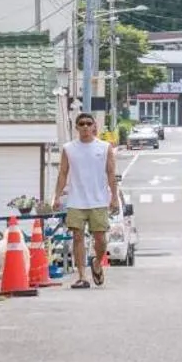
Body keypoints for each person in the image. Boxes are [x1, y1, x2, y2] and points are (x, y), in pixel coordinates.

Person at [54, 112, 120, 289]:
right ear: (76, 127)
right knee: (77, 237)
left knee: (101, 240)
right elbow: (63, 173)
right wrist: (57, 196)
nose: (85, 126)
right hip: (76, 200)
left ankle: (97, 262)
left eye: (88, 123)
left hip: (98, 200)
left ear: (94, 126)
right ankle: (82, 276)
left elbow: (111, 173)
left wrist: (114, 197)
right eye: (81, 123)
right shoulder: (69, 148)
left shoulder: (104, 147)